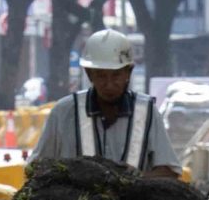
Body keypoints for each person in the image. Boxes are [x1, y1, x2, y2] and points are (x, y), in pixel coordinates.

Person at [32, 28, 180, 178]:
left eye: (116, 75)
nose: (109, 84)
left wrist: (132, 182)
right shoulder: (63, 112)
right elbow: (36, 168)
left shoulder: (147, 113)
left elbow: (169, 171)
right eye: (101, 76)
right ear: (89, 74)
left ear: (128, 72)